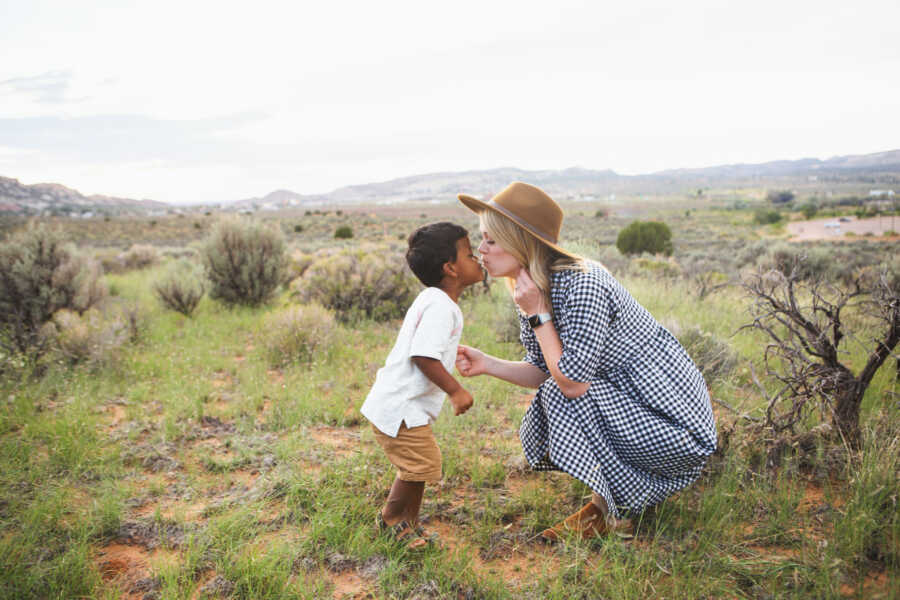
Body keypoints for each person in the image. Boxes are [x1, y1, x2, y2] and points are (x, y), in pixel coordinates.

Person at [455, 182, 717, 541]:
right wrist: (487, 363)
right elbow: (544, 370)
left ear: (522, 243)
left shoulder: (582, 284)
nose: (481, 250)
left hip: (677, 428)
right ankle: (610, 504)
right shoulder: (533, 289)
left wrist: (538, 316)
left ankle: (606, 511)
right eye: (481, 239)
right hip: (634, 407)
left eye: (491, 240)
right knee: (557, 391)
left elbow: (572, 383)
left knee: (563, 396)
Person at [360, 221, 485, 549]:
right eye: (471, 255)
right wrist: (456, 390)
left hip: (401, 406)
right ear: (450, 268)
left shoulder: (435, 301)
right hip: (401, 408)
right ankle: (393, 522)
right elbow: (422, 355)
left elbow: (428, 349)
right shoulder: (440, 307)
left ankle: (405, 522)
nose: (479, 259)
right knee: (421, 464)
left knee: (420, 465)